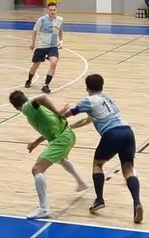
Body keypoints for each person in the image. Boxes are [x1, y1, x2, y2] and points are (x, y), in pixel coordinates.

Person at [59, 74, 143, 222]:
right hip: (128, 132)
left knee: (98, 164)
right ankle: (137, 203)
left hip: (112, 134)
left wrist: (57, 114)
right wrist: (72, 127)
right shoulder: (107, 99)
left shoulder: (87, 101)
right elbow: (88, 119)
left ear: (87, 88)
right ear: (102, 86)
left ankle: (99, 200)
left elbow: (67, 114)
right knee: (128, 170)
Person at [8, 91, 88, 220]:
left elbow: (42, 96)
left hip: (61, 139)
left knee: (37, 169)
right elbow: (49, 129)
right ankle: (81, 182)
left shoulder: (27, 107)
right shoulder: (37, 111)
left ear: (16, 107)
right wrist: (36, 142)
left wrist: (58, 112)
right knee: (61, 159)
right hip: (66, 135)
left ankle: (44, 208)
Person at [26, 2, 63, 94]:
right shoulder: (42, 20)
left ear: (56, 10)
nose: (52, 11)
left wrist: (61, 40)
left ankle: (46, 85)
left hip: (53, 47)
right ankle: (29, 80)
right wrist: (33, 43)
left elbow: (60, 30)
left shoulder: (60, 19)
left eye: (54, 10)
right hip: (42, 46)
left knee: (54, 63)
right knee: (36, 65)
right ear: (47, 10)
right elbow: (35, 31)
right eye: (50, 10)